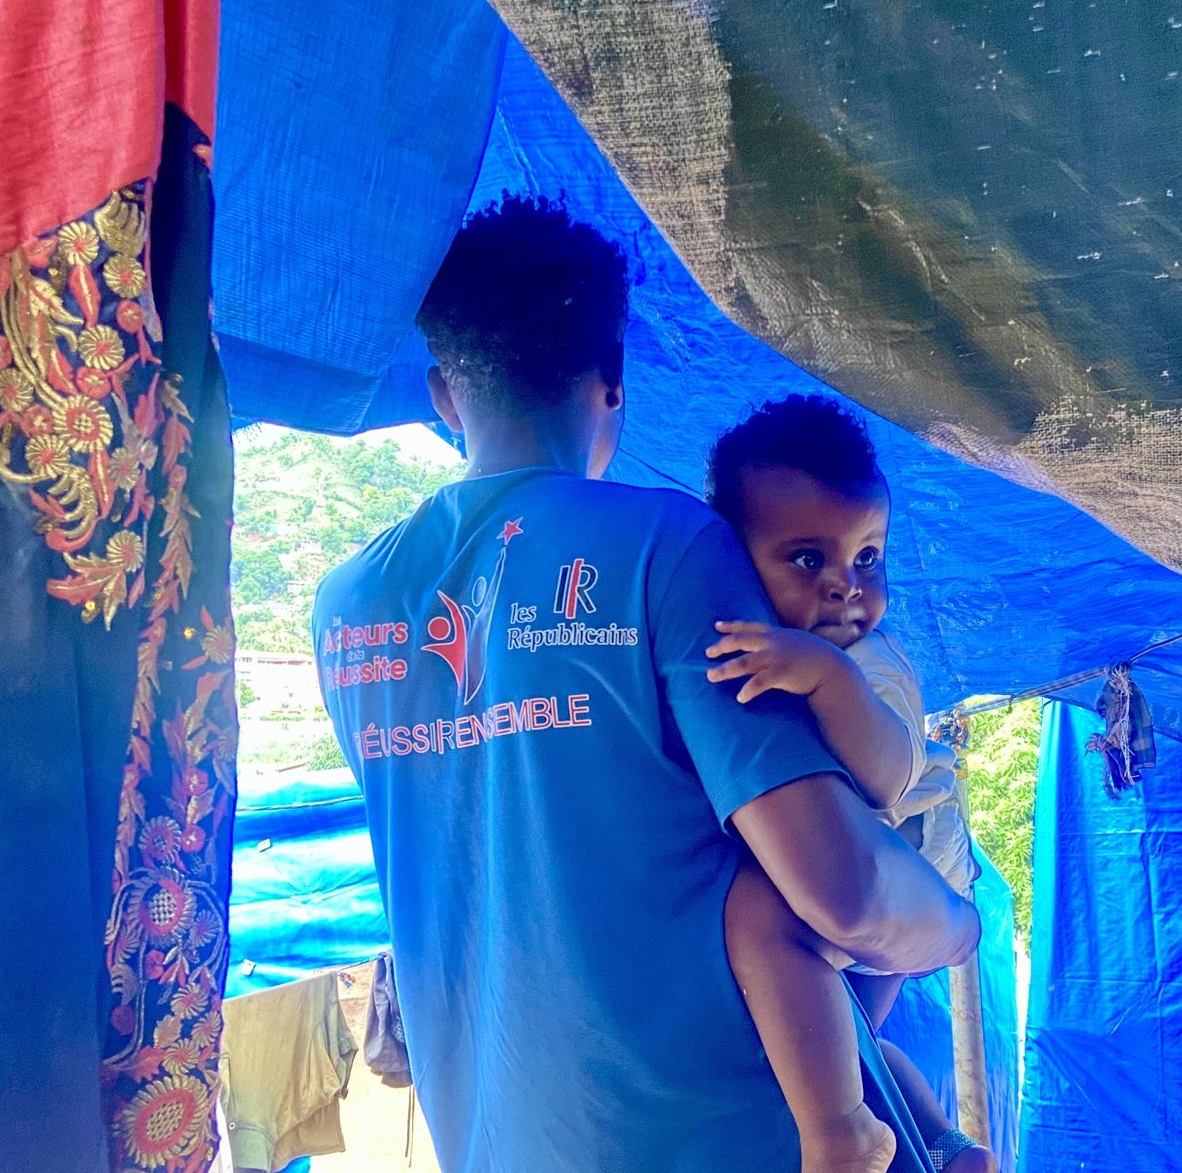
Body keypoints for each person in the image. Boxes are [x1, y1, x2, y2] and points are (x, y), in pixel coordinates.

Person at [312, 194, 980, 1173]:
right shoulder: (665, 548)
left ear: (444, 395)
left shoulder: (346, 608)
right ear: (613, 381)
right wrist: (955, 924)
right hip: (737, 1140)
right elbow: (841, 892)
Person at [706, 396, 997, 1173]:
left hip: (910, 868)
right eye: (809, 559)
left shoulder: (869, 664)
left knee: (759, 919)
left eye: (868, 557)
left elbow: (886, 773)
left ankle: (839, 1135)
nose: (847, 588)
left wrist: (827, 676)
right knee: (850, 1044)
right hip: (883, 884)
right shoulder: (790, 649)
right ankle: (944, 1142)